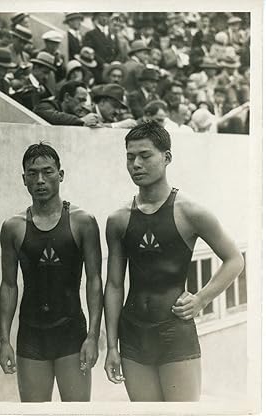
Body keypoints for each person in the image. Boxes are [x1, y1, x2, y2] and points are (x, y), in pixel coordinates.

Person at [104, 121, 244, 401]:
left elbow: (234, 259)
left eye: (145, 156)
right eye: (130, 157)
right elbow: (114, 285)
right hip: (132, 333)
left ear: (166, 157)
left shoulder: (189, 212)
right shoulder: (118, 219)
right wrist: (111, 345)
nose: (136, 164)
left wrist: (202, 298)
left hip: (175, 332)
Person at [0, 143, 103, 402]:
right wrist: (3, 341)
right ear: (24, 179)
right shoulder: (13, 227)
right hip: (31, 336)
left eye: (48, 172)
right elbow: (8, 285)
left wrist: (93, 335)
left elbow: (94, 281)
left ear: (61, 174)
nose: (40, 180)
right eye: (32, 174)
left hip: (71, 333)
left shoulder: (83, 222)